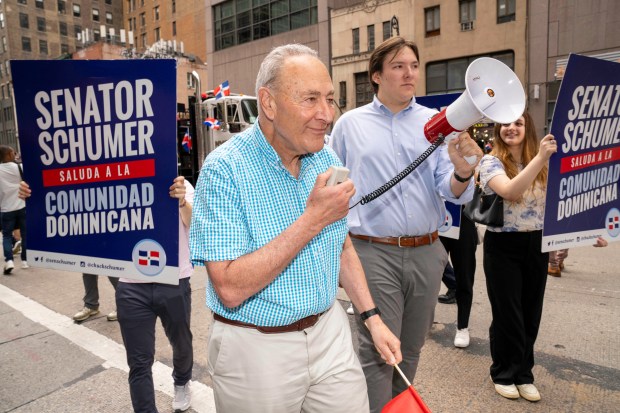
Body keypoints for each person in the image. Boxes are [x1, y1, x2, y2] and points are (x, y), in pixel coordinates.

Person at [190, 44, 401, 412]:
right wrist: (311, 219)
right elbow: (229, 287)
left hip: (329, 333)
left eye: (331, 99)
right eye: (310, 99)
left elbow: (342, 247)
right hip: (255, 350)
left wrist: (372, 319)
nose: (326, 114)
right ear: (268, 104)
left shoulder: (326, 157)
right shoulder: (224, 170)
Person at [330, 36, 482, 413]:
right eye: (398, 66)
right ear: (377, 76)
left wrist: (463, 173)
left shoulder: (436, 124)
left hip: (428, 251)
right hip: (372, 249)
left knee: (411, 348)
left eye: (413, 65)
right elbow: (332, 185)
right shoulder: (350, 125)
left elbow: (451, 191)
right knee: (379, 350)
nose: (410, 73)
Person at [116, 176, 194, 413]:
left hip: (173, 280)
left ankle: (181, 381)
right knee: (138, 362)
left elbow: (195, 223)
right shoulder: (115, 184)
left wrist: (182, 202)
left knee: (181, 342)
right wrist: (34, 196)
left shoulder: (180, 184)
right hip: (131, 285)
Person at [16, 181, 119, 322]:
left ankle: (123, 304)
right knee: (87, 263)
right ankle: (91, 304)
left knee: (110, 264)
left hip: (104, 216)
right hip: (84, 217)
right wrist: (32, 191)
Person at [439, 210, 479, 348]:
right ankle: (424, 319)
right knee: (429, 276)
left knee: (465, 278)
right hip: (436, 219)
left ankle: (463, 327)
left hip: (464, 219)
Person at [0, 145, 27, 274]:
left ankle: (9, 261)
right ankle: (25, 261)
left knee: (6, 235)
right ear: (9, 154)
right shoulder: (19, 167)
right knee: (25, 233)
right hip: (22, 205)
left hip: (6, 208)